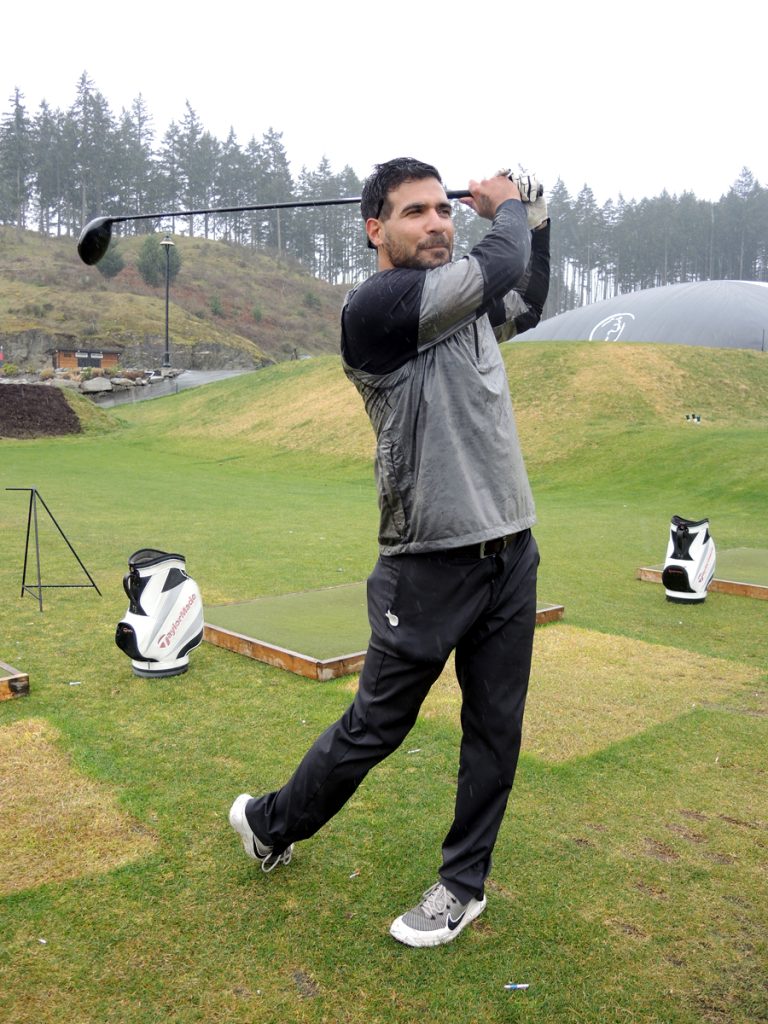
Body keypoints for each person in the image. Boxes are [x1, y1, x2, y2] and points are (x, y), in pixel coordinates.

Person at [230, 158, 551, 948]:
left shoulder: (462, 305)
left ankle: (462, 885)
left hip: (511, 547)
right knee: (378, 724)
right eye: (416, 212)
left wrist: (538, 220)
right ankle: (273, 823)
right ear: (376, 228)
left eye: (445, 209)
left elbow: (527, 295)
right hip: (428, 556)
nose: (438, 222)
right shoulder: (377, 307)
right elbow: (498, 260)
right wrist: (504, 211)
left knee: (494, 729)